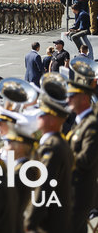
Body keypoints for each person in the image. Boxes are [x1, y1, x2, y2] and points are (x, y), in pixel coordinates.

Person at [24, 95, 73, 232]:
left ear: (52, 120)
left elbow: (44, 189)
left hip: (49, 222)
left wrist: (29, 221)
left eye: (42, 114)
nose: (38, 117)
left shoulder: (52, 147)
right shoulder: (59, 142)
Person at [65, 81, 98, 233]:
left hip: (81, 191)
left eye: (72, 96)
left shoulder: (91, 124)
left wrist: (63, 158)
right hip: (73, 188)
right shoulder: (80, 122)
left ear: (85, 99)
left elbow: (86, 159)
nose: (67, 100)